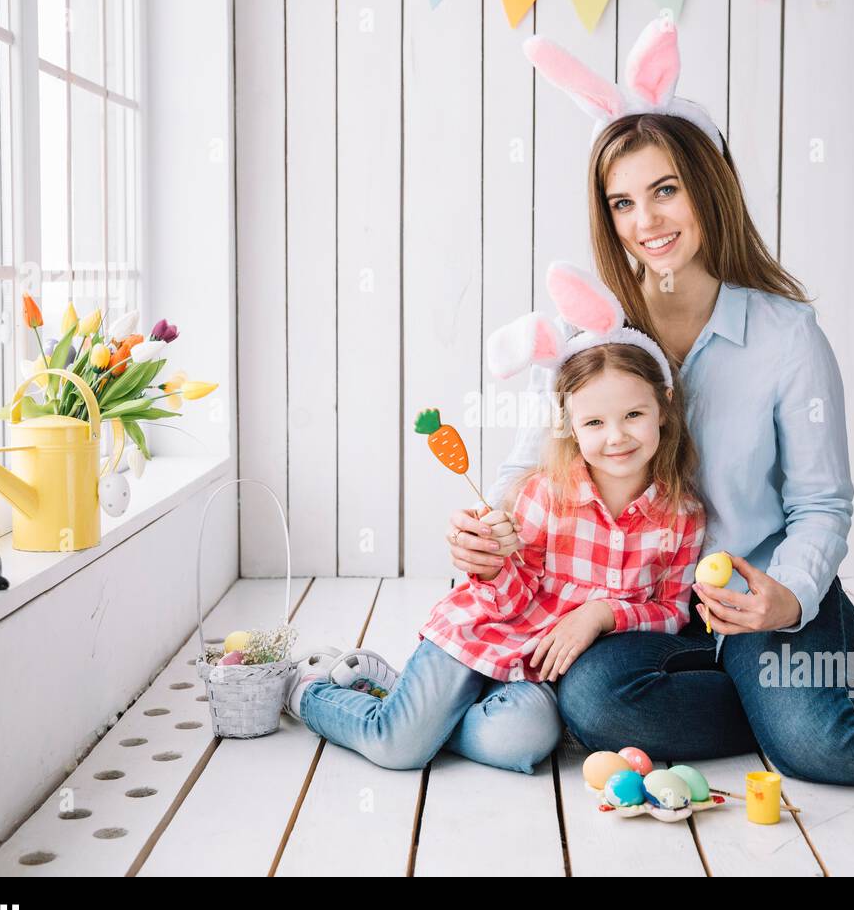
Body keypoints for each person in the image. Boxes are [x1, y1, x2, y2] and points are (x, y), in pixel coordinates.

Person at [446, 17, 854, 784]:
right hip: (646, 606)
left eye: (665, 190)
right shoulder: (594, 330)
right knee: (594, 700)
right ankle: (793, 711)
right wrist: (487, 526)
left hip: (760, 599)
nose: (647, 222)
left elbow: (822, 504)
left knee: (831, 750)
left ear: (707, 184)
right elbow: (531, 461)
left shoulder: (786, 336)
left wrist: (788, 599)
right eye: (623, 202)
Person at [286, 272, 708, 775]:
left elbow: (670, 611)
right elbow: (507, 599)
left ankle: (406, 702)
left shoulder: (682, 516)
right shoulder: (546, 493)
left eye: (633, 414)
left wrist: (603, 614)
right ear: (570, 426)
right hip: (483, 635)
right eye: (594, 422)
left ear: (662, 406)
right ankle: (310, 693)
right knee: (398, 747)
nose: (616, 437)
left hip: (532, 676)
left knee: (526, 740)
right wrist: (493, 568)